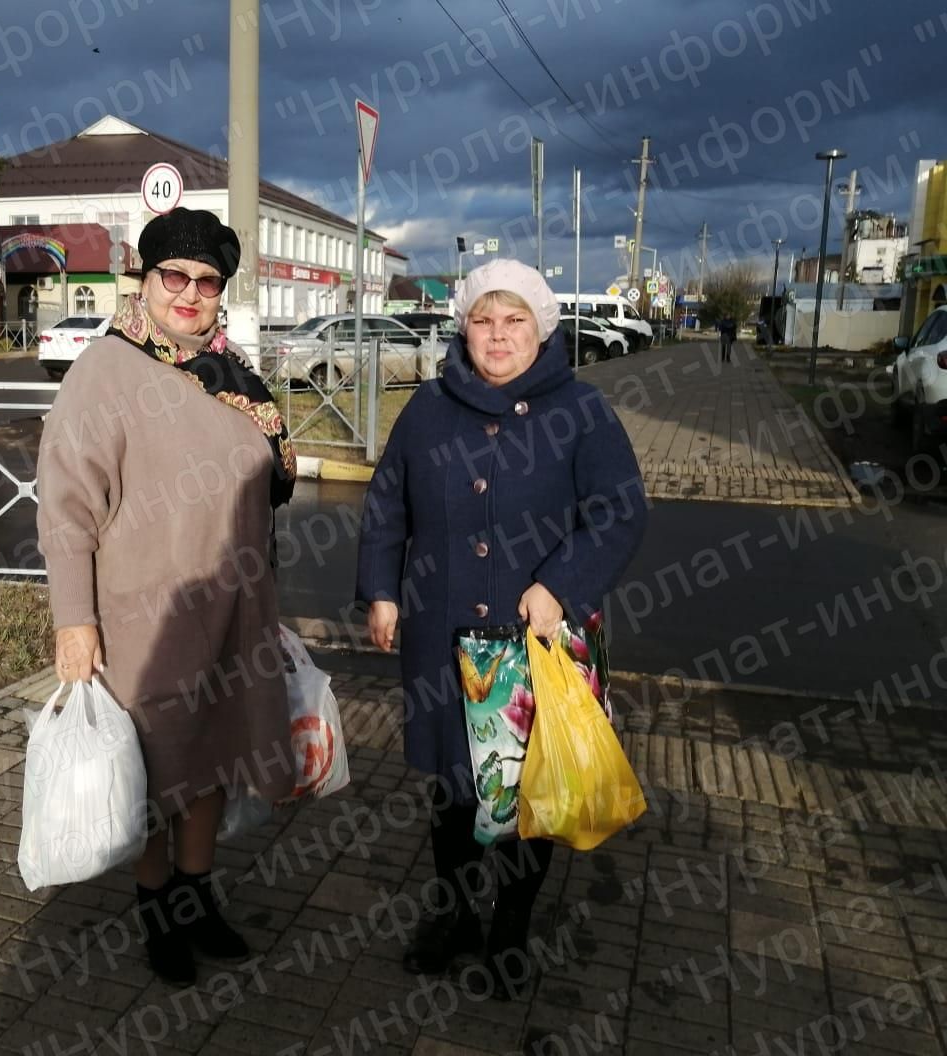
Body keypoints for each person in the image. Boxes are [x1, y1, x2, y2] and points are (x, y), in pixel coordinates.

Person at [357, 259, 647, 997]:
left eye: (514, 320)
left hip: (532, 645)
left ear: (541, 328)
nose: (497, 335)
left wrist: (560, 584)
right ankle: (454, 914)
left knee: (526, 797)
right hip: (441, 635)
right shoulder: (427, 408)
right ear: (463, 326)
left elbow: (620, 509)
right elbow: (388, 505)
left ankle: (510, 927)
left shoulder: (581, 411)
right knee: (456, 792)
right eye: (484, 319)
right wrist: (382, 592)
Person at [36, 208, 298, 987]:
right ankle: (157, 914)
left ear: (222, 291)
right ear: (144, 282)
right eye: (172, 277)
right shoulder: (106, 370)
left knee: (214, 762)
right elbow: (65, 508)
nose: (188, 293)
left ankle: (197, 897)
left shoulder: (229, 372)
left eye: (206, 281)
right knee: (156, 771)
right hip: (141, 620)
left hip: (233, 612)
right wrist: (73, 622)